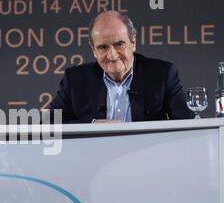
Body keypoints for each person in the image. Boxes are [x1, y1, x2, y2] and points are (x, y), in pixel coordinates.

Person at [49, 11, 194, 123]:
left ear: (133, 42)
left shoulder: (162, 74)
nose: (112, 55)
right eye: (103, 47)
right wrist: (92, 125)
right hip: (93, 159)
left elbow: (187, 122)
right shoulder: (75, 80)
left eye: (119, 44)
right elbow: (46, 123)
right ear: (93, 50)